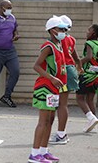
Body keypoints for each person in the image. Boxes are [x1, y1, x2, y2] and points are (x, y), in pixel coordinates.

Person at [29, 16, 68, 163]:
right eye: (61, 29)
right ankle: (34, 154)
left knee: (50, 120)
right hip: (45, 87)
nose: (64, 31)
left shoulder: (59, 45)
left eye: (65, 29)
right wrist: (51, 78)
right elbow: (36, 66)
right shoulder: (48, 46)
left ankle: (43, 151)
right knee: (43, 121)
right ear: (52, 31)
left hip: (54, 89)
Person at [49, 15, 82, 145]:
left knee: (60, 104)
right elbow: (77, 58)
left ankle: (61, 134)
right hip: (70, 70)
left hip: (62, 72)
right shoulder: (71, 39)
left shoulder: (57, 40)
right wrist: (79, 68)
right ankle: (61, 133)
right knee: (62, 103)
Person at [75, 24, 98, 133]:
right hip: (96, 75)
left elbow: (88, 57)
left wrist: (79, 63)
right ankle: (93, 121)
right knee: (90, 99)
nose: (87, 31)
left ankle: (91, 118)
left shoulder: (89, 43)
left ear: (93, 33)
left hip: (87, 75)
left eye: (89, 30)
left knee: (80, 98)